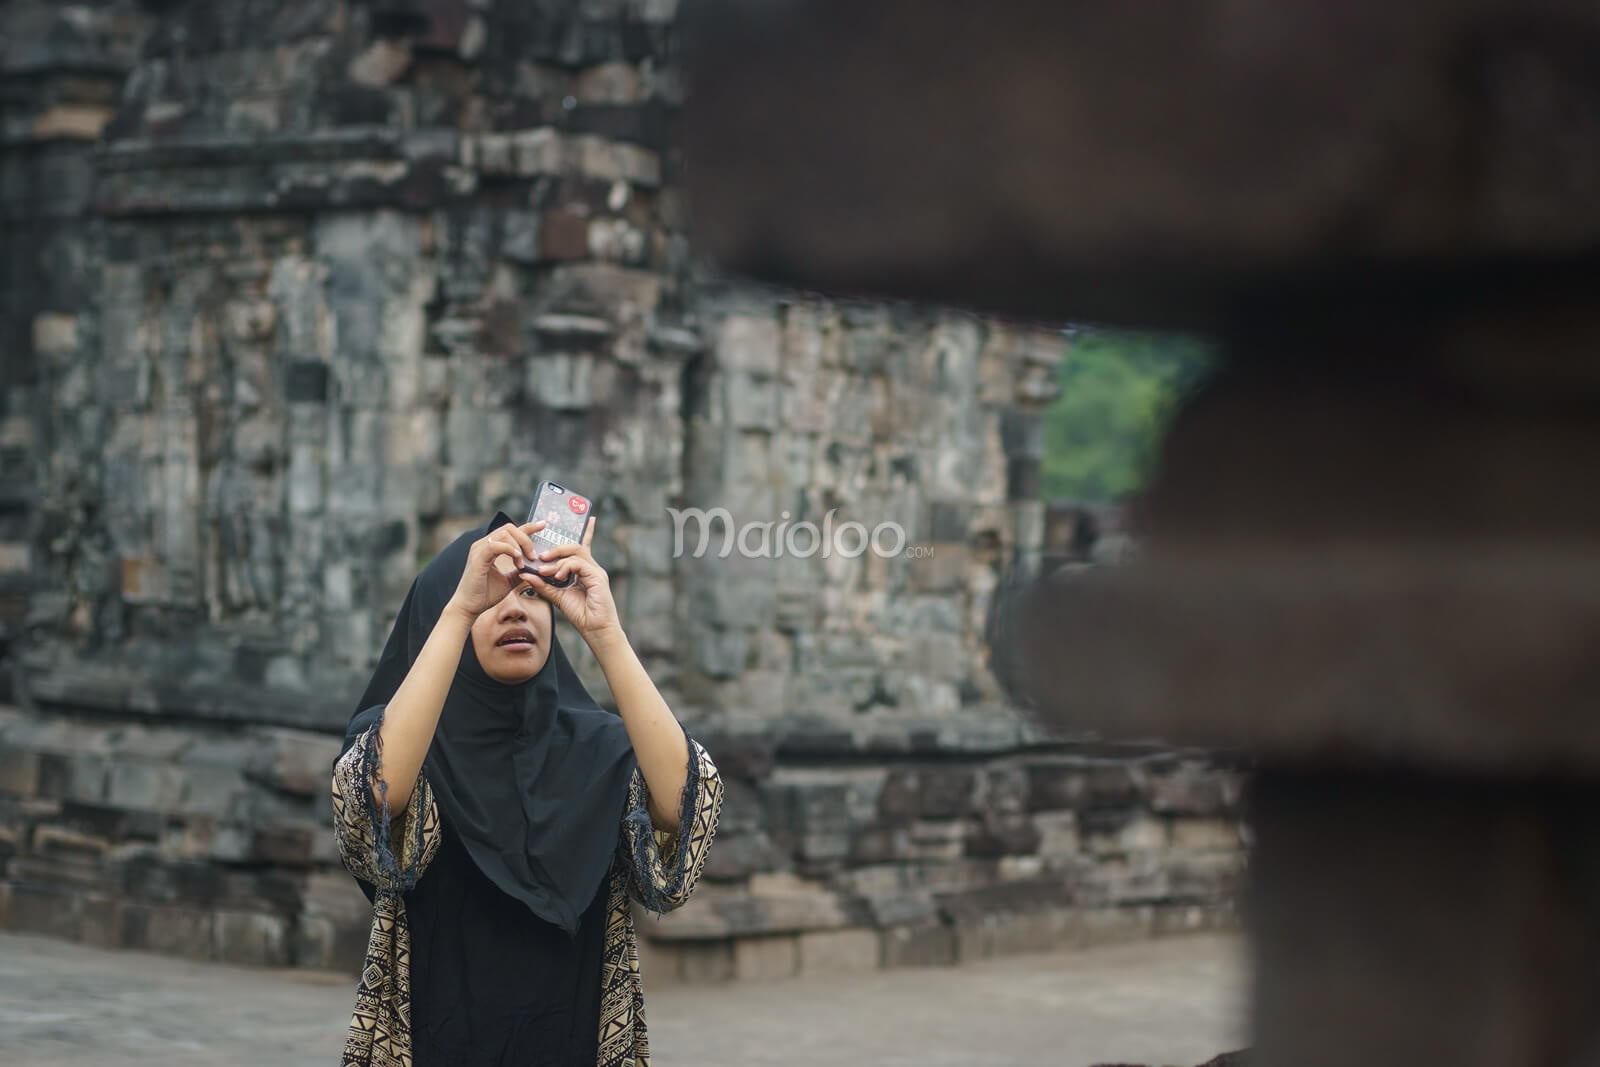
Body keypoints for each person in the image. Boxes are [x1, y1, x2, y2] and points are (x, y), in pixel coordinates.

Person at [330, 509, 723, 1066]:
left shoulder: (600, 748)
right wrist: (461, 608)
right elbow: (374, 797)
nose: (514, 607)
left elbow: (690, 807)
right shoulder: (405, 747)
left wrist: (604, 632)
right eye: (491, 597)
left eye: (533, 594)